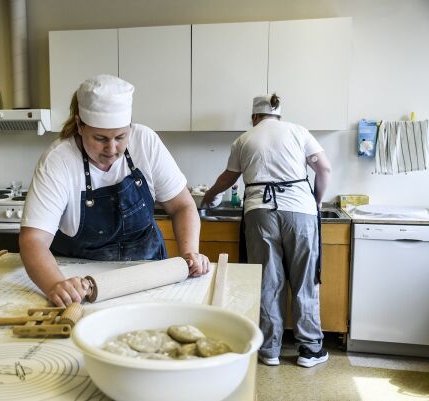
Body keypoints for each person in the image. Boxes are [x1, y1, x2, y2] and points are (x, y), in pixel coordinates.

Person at [20, 74, 210, 307]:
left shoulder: (145, 141)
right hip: (83, 283)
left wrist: (189, 253)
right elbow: (33, 240)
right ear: (80, 125)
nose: (112, 149)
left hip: (146, 274)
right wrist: (55, 285)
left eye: (120, 137)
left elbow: (182, 206)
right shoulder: (58, 161)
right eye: (100, 138)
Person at [202, 93, 331, 368]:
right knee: (304, 281)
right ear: (279, 116)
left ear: (254, 117)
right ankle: (309, 350)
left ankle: (269, 350)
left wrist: (210, 195)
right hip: (300, 210)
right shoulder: (299, 132)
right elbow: (324, 168)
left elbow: (229, 177)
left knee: (267, 282)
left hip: (259, 212)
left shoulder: (244, 139)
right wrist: (317, 201)